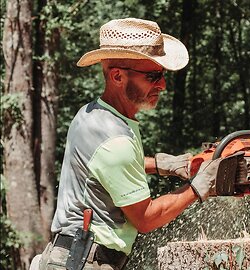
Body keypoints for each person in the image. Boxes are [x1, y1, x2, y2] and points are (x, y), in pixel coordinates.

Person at [32, 18, 220, 270]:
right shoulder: (115, 139)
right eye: (152, 76)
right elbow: (146, 218)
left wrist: (163, 165)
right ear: (117, 76)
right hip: (85, 262)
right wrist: (199, 186)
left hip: (71, 256)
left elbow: (102, 168)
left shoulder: (92, 114)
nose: (162, 85)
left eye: (162, 75)